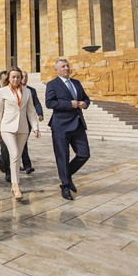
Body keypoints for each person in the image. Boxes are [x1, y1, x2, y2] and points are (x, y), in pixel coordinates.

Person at [45, 58, 91, 201]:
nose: (66, 68)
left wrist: (84, 103)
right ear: (57, 70)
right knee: (62, 156)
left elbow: (86, 98)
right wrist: (69, 104)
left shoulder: (76, 83)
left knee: (84, 154)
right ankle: (65, 186)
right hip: (61, 126)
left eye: (67, 66)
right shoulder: (52, 84)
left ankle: (67, 174)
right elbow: (49, 103)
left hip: (77, 124)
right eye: (63, 67)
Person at [0, 67, 40, 200]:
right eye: (13, 77)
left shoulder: (27, 91)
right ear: (9, 78)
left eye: (18, 77)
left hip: (23, 128)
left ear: (21, 78)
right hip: (7, 127)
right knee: (14, 154)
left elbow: (31, 111)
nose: (16, 79)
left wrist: (36, 127)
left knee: (17, 156)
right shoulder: (3, 91)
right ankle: (16, 186)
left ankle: (14, 183)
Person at [20, 71, 43, 174]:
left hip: (27, 121)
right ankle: (4, 159)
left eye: (26, 76)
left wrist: (40, 113)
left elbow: (36, 103)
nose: (25, 78)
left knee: (23, 143)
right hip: (15, 121)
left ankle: (27, 166)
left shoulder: (31, 91)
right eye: (23, 76)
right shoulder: (12, 89)